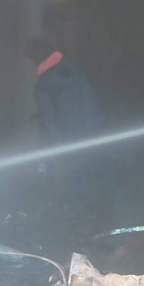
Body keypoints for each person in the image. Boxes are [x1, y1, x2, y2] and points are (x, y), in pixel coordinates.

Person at [25, 37, 106, 220]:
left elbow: (52, 125)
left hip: (72, 144)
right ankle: (96, 224)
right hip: (95, 134)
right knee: (94, 185)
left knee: (74, 191)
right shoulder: (75, 69)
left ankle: (76, 230)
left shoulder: (43, 87)